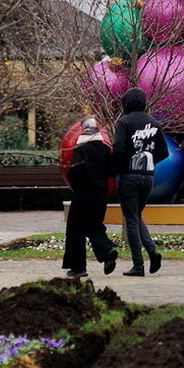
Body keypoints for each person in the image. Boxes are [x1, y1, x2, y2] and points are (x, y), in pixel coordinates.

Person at [111, 88, 168, 276]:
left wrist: (117, 167)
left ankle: (138, 265)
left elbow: (118, 149)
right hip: (148, 176)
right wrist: (148, 161)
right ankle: (152, 251)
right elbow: (163, 152)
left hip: (129, 176)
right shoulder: (154, 123)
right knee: (136, 214)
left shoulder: (124, 123)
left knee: (131, 219)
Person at [62, 117, 118, 278]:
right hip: (101, 194)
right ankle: (107, 252)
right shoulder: (105, 149)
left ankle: (78, 267)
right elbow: (112, 172)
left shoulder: (80, 149)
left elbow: (74, 171)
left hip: (83, 194)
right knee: (94, 225)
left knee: (75, 230)